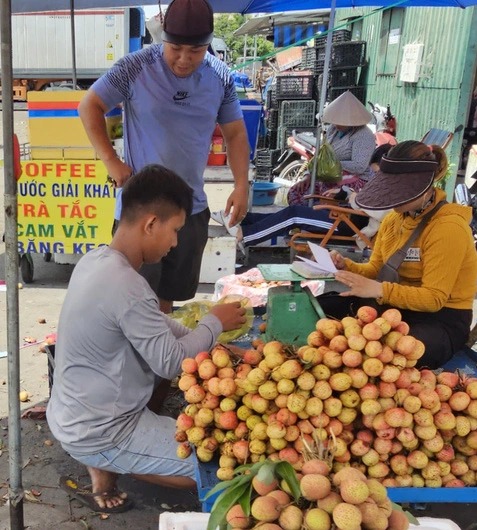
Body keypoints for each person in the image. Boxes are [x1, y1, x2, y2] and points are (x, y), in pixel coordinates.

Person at [47, 165, 247, 513]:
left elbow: (160, 326)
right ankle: (109, 456)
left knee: (155, 372)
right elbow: (171, 360)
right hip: (101, 428)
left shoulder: (97, 261)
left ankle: (104, 464)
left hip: (70, 412)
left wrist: (211, 342)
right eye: (175, 231)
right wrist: (214, 323)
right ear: (151, 223)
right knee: (223, 466)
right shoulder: (127, 285)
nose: (174, 243)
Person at [78, 0, 250, 314]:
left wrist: (241, 185)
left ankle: (163, 360)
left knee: (167, 302)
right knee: (130, 301)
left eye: (196, 51)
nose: (184, 59)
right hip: (141, 213)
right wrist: (110, 160)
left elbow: (236, 134)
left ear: (209, 44)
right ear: (163, 38)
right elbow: (89, 106)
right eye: (176, 48)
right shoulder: (134, 67)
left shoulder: (221, 77)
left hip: (190, 209)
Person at [318, 141, 477, 369]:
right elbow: (376, 269)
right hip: (397, 308)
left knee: (388, 354)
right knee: (322, 309)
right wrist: (346, 266)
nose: (392, 200)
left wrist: (378, 290)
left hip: (440, 319)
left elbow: (433, 299)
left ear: (424, 187)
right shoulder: (395, 219)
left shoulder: (448, 228)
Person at [212, 144, 391, 249]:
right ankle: (239, 220)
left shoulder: (393, 192)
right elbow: (362, 198)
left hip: (347, 224)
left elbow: (372, 209)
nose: (376, 176)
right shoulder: (384, 184)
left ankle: (246, 235)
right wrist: (345, 193)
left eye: (378, 172)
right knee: (291, 212)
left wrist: (353, 199)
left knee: (295, 214)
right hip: (343, 215)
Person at [288, 91, 376, 205]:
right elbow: (321, 156)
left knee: (321, 202)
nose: (336, 124)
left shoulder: (364, 135)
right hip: (327, 178)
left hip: (352, 185)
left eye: (340, 121)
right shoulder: (333, 129)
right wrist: (308, 175)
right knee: (295, 193)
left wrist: (331, 164)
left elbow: (359, 166)